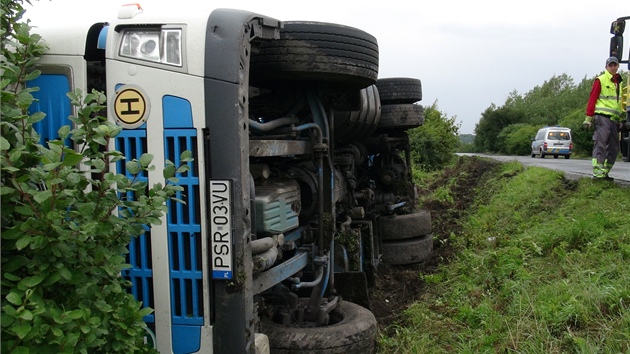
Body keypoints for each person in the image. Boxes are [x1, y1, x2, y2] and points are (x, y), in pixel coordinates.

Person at [583, 56, 625, 180]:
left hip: (614, 119)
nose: (613, 67)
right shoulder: (600, 80)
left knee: (614, 147)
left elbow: (618, 103)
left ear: (618, 66)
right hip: (602, 117)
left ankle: (604, 172)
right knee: (600, 143)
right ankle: (598, 173)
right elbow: (592, 98)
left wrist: (621, 118)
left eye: (615, 65)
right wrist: (588, 118)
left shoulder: (619, 82)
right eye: (610, 65)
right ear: (606, 67)